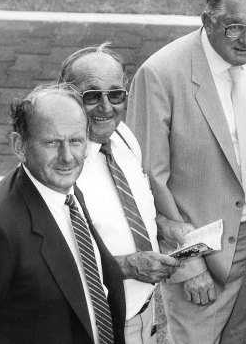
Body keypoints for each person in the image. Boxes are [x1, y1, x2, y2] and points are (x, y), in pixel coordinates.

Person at [126, 0, 246, 344]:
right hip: (199, 251)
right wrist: (187, 263)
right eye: (234, 27)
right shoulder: (159, 75)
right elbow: (146, 180)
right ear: (207, 21)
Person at [0, 84, 126, 344]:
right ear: (19, 145)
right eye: (52, 142)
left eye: (76, 141)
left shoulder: (65, 192)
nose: (68, 157)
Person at [59, 45, 189, 344]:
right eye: (91, 96)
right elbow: (56, 262)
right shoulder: (61, 167)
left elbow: (132, 207)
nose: (106, 108)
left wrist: (167, 227)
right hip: (99, 321)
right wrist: (129, 266)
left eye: (115, 94)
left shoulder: (123, 136)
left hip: (143, 310)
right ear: (67, 97)